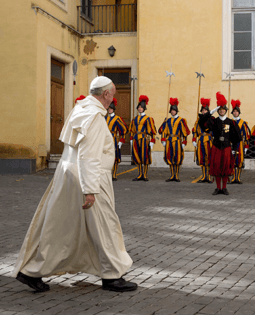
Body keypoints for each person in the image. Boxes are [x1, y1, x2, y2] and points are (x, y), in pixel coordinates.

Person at [13, 77, 136, 292]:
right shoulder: (95, 117)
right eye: (113, 94)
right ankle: (111, 276)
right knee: (105, 226)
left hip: (68, 176)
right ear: (106, 94)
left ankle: (30, 271)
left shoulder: (80, 109)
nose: (114, 98)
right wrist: (90, 190)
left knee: (60, 227)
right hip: (91, 179)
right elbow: (89, 156)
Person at [199, 92, 241, 195]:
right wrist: (211, 112)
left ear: (226, 111)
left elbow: (236, 137)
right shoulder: (213, 121)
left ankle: (225, 188)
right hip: (216, 146)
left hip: (226, 147)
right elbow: (201, 122)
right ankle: (218, 188)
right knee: (217, 167)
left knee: (226, 167)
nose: (222, 111)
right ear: (218, 111)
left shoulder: (231, 122)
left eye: (223, 109)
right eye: (220, 109)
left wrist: (234, 149)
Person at [159, 98, 190, 182]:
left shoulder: (181, 120)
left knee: (177, 158)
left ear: (176, 111)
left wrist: (184, 142)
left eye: (174, 110)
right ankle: (172, 175)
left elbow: (185, 132)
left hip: (177, 141)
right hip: (169, 140)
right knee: (170, 157)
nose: (173, 111)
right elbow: (163, 131)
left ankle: (176, 175)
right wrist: (163, 140)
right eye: (172, 110)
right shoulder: (168, 120)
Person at [129, 95, 157, 181]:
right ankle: (139, 174)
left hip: (144, 139)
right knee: (137, 157)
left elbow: (152, 131)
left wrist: (152, 141)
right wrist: (131, 139)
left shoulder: (148, 119)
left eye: (141, 107)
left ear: (144, 108)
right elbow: (132, 130)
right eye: (139, 107)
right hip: (136, 138)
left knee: (144, 156)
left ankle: (145, 174)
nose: (140, 109)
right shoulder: (135, 119)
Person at [105, 98, 128, 181]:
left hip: (114, 139)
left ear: (113, 109)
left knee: (114, 157)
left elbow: (124, 129)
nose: (109, 110)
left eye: (111, 109)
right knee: (105, 156)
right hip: (105, 139)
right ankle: (107, 174)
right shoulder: (105, 118)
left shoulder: (117, 118)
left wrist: (121, 140)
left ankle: (114, 174)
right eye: (108, 109)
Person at [230, 99, 251, 184]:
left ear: (239, 112)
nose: (235, 113)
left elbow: (246, 135)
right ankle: (233, 178)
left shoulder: (243, 123)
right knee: (232, 160)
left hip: (240, 143)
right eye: (234, 111)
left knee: (239, 161)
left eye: (236, 111)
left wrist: (246, 146)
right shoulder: (229, 122)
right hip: (231, 143)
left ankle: (237, 178)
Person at [192, 98, 213, 183]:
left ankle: (208, 177)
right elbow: (194, 131)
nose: (204, 111)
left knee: (209, 158)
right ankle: (204, 176)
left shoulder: (211, 119)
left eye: (205, 110)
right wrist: (194, 139)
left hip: (208, 140)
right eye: (203, 110)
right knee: (202, 159)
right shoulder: (198, 120)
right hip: (200, 140)